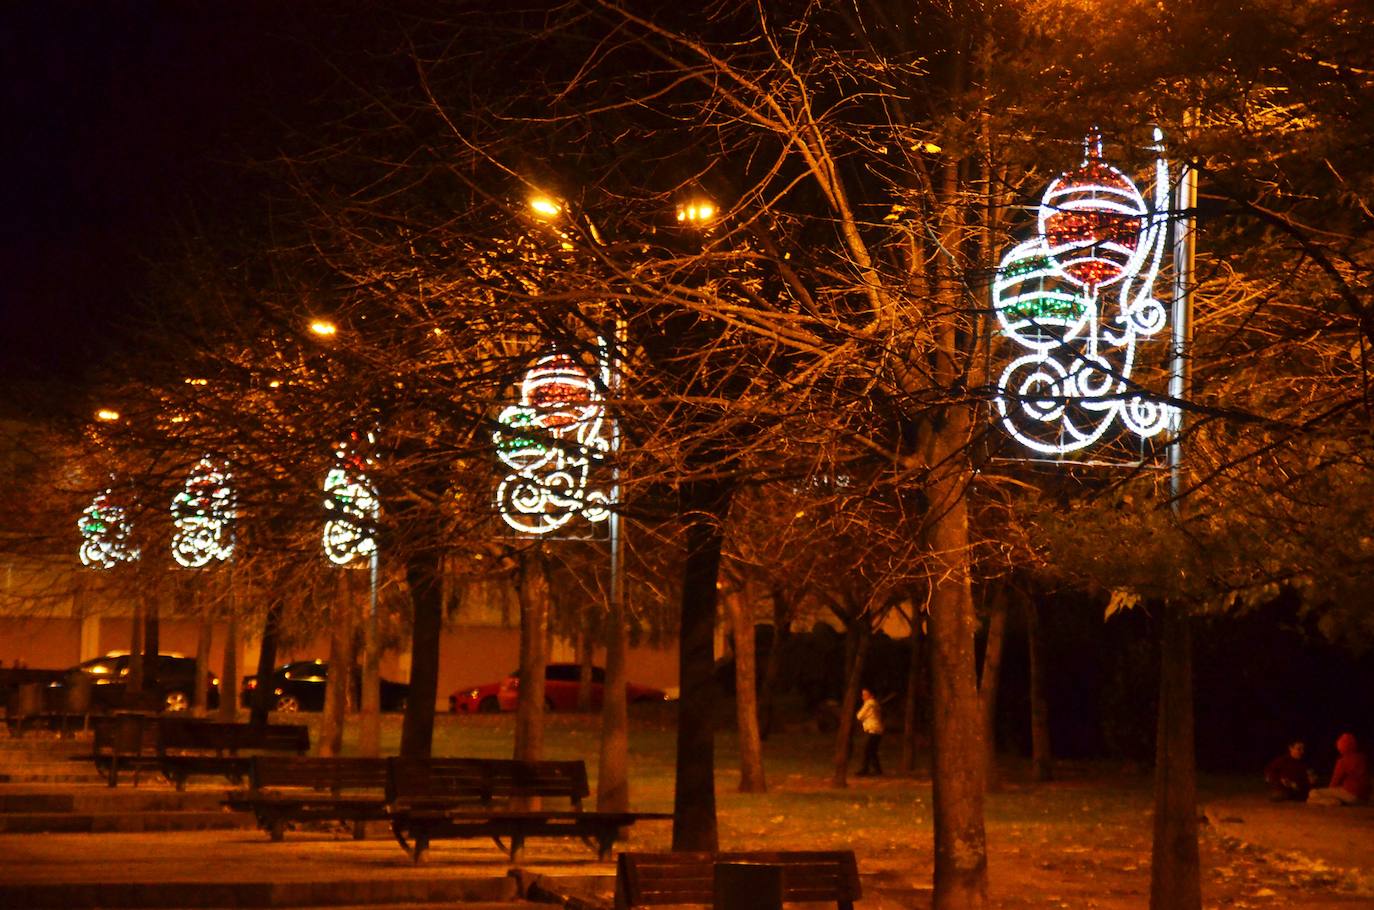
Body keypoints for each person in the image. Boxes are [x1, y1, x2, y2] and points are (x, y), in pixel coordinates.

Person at [1308, 732, 1370, 806]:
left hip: (1350, 795)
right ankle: (1336, 800)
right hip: (1364, 798)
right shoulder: (1363, 758)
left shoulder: (1343, 761)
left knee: (1313, 793)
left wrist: (1330, 791)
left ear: (1341, 747)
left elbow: (1335, 780)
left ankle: (1331, 802)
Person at [855, 688, 884, 777]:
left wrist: (863, 716)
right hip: (878, 730)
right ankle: (878, 770)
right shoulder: (875, 704)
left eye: (865, 694)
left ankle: (864, 769)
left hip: (872, 729)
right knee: (872, 751)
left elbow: (859, 716)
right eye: (862, 694)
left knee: (866, 750)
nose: (863, 696)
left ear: (871, 695)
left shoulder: (869, 703)